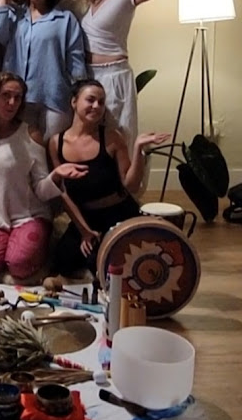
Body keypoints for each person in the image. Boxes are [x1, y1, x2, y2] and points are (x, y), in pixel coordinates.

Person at [80, 0, 242, 152]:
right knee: (91, 141)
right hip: (90, 76)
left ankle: (128, 175)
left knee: (118, 141)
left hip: (114, 78)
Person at [0, 73, 87, 282]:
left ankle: (38, 246)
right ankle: (6, 248)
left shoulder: (30, 135)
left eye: (17, 98)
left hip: (29, 216)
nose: (12, 103)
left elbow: (41, 189)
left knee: (20, 263)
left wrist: (55, 176)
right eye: (6, 96)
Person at [47, 80, 170, 275]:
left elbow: (131, 185)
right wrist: (84, 231)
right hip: (86, 217)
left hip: (119, 213)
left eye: (101, 102)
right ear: (74, 102)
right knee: (64, 262)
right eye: (90, 100)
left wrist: (138, 148)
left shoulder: (112, 137)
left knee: (113, 264)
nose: (96, 106)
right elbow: (63, 193)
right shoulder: (56, 143)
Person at [0, 0, 86, 139]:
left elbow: (76, 61)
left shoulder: (65, 19)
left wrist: (79, 95)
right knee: (22, 150)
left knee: (52, 150)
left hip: (53, 100)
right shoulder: (16, 15)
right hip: (18, 100)